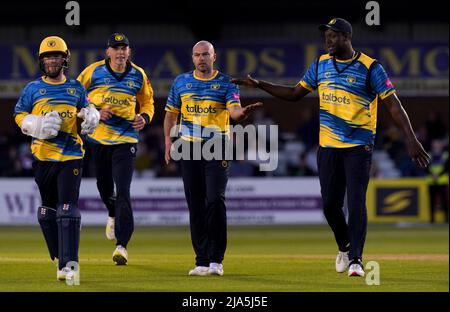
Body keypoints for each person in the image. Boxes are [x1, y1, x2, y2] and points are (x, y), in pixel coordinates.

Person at [232, 18, 430, 277]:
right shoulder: (320, 65)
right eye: (326, 36)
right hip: (328, 147)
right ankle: (345, 246)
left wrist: (411, 138)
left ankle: (357, 260)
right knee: (330, 205)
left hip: (359, 146)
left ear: (347, 37)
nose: (328, 40)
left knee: (356, 201)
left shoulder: (371, 68)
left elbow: (394, 105)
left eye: (333, 36)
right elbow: (293, 94)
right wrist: (259, 85)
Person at [164, 41, 262, 276]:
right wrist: (168, 141)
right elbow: (170, 115)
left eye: (205, 54)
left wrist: (242, 114)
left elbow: (234, 110)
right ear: (192, 57)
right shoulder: (180, 82)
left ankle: (217, 260)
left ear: (214, 56)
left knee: (215, 200)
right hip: (188, 148)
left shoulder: (226, 82)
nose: (201, 59)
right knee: (195, 204)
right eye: (197, 55)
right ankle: (201, 261)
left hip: (217, 146)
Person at [13, 36, 99, 282]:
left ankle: (69, 266)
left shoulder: (76, 88)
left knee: (67, 209)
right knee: (46, 212)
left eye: (57, 56)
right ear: (42, 61)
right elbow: (19, 115)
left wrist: (91, 116)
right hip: (42, 158)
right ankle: (59, 258)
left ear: (65, 59)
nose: (52, 60)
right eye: (47, 57)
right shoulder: (32, 89)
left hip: (71, 156)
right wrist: (35, 124)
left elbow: (87, 110)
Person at [77, 33, 155, 265]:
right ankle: (111, 212)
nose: (120, 52)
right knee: (104, 189)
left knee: (123, 191)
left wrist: (145, 117)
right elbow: (75, 96)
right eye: (116, 48)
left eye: (124, 48)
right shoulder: (93, 71)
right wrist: (94, 112)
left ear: (129, 52)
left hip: (126, 140)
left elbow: (148, 101)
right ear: (107, 52)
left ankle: (122, 246)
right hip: (98, 141)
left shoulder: (138, 74)